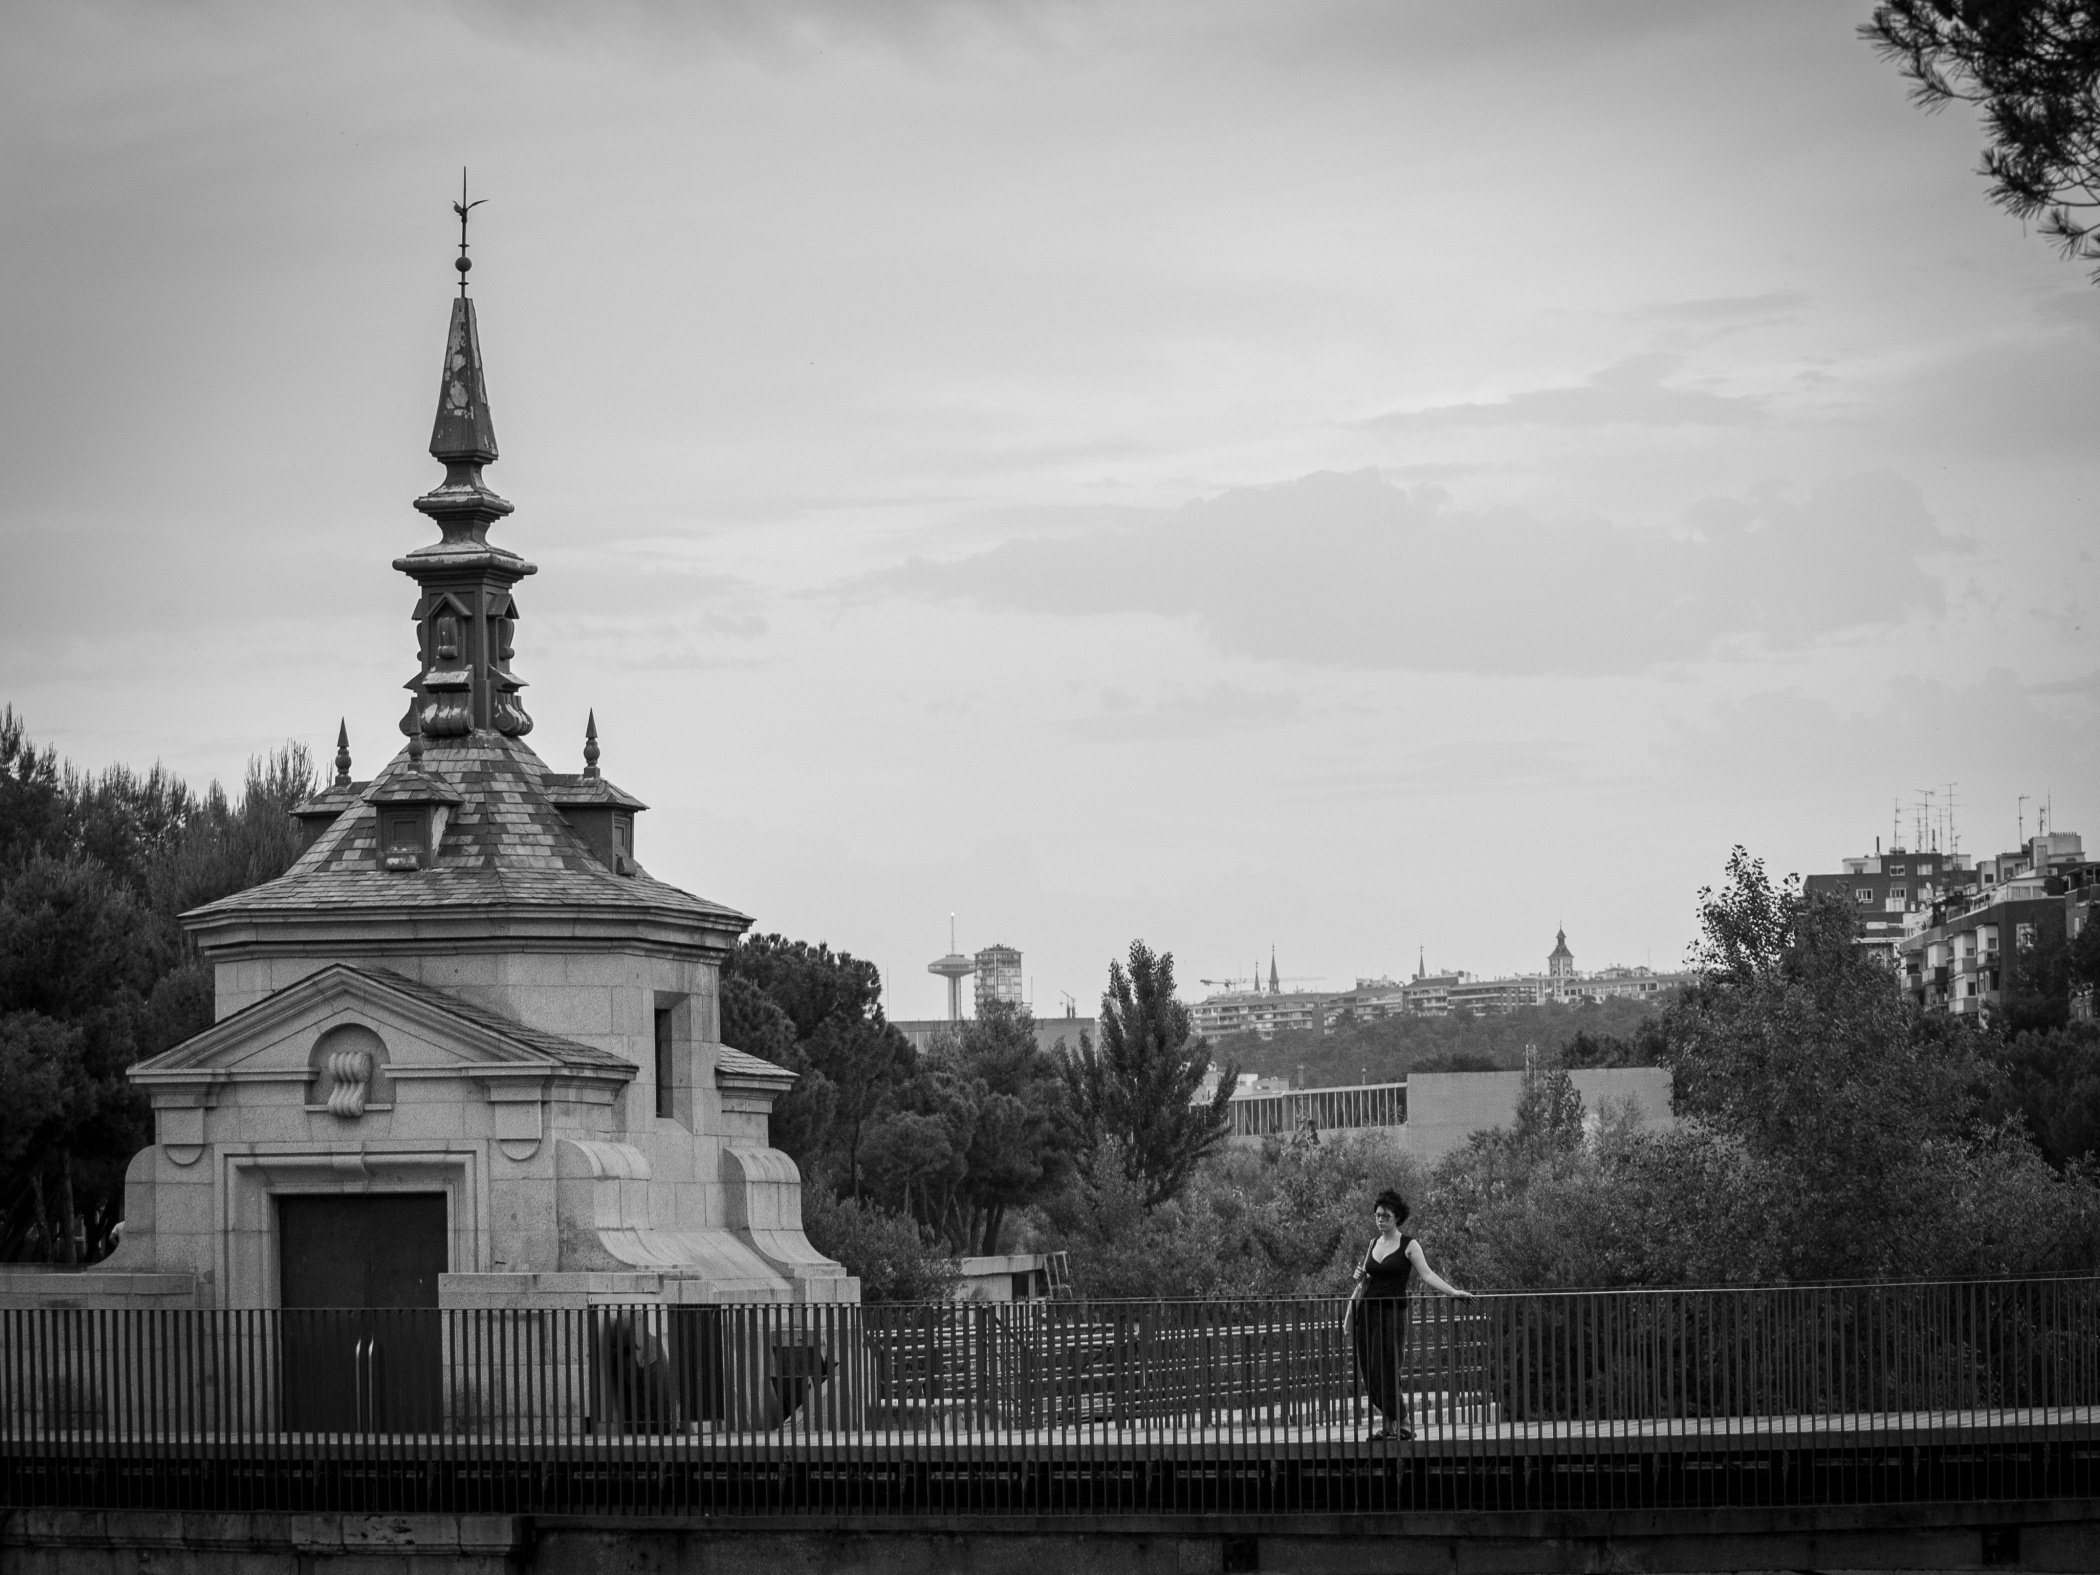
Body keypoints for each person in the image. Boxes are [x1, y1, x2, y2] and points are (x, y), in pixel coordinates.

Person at [1341, 1187, 1473, 1442]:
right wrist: (1360, 1276)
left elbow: (1427, 1274)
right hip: (1367, 1313)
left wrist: (1453, 1291)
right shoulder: (1372, 1244)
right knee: (1369, 1370)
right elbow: (1367, 1277)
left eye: (1385, 1216)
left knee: (1387, 1367)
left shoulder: (1409, 1245)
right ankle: (1389, 1425)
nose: (1380, 1220)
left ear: (1397, 1218)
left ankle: (1403, 1422)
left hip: (1391, 1313)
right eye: (1377, 1215)